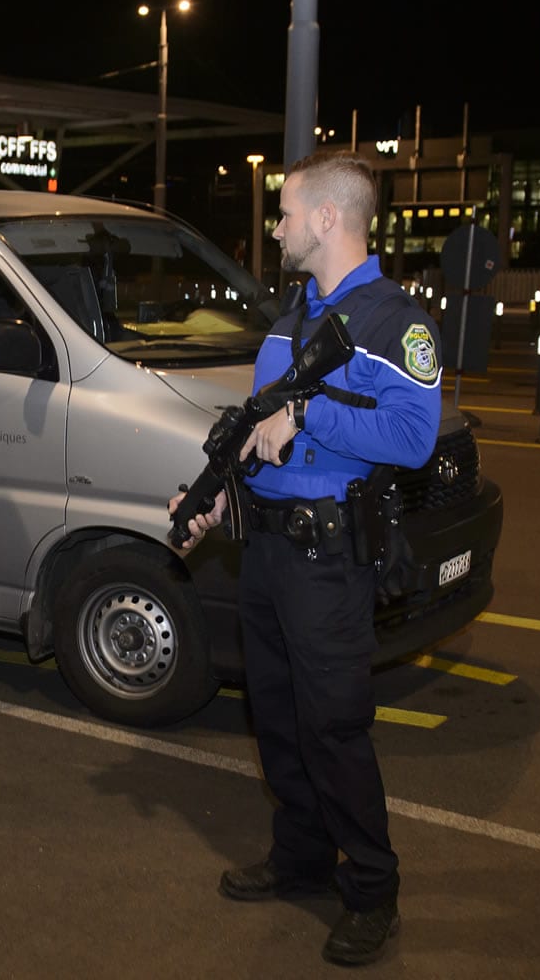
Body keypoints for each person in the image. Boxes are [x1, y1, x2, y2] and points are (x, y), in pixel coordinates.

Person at [170, 152, 441, 967]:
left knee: (334, 729)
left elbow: (414, 438)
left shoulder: (396, 319)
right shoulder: (294, 314)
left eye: (285, 212)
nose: (276, 226)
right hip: (269, 552)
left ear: (328, 218)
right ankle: (300, 861)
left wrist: (314, 417)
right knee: (278, 720)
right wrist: (218, 492)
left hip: (330, 563)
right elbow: (261, 429)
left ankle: (373, 889)